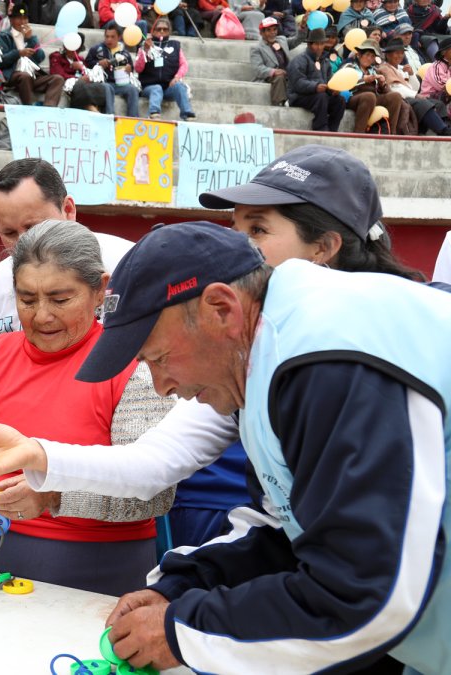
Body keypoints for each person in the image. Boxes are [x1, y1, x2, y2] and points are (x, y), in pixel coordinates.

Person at [0, 145, 426, 545]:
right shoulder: (263, 349)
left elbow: (377, 572)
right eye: (237, 227)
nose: (165, 384)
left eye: (258, 230)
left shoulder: (359, 354)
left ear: (324, 248)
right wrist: (37, 454)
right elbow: (152, 463)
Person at [75, 220, 450, 674]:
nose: (162, 386)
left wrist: (183, 631)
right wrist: (182, 586)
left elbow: (366, 595)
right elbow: (287, 527)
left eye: (158, 358)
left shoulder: (325, 355)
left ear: (221, 308)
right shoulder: (269, 353)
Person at [0, 220, 175, 596]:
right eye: (26, 299)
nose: (42, 315)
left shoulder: (133, 365)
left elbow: (154, 491)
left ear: (100, 291)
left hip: (97, 577)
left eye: (60, 300)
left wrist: (53, 496)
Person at [0, 158, 134, 340]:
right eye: (9, 233)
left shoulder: (128, 263)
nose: (23, 243)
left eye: (33, 227)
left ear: (68, 210)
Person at [0, 3, 63, 106]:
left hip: (32, 75)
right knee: (25, 76)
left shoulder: (30, 36)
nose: (22, 22)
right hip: (13, 75)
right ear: (11, 20)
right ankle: (29, 108)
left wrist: (30, 39)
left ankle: (49, 110)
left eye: (25, 19)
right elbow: (0, 61)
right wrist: (18, 53)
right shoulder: (4, 36)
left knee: (57, 79)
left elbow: (40, 57)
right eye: (19, 19)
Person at [342, 39, 412, 133]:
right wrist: (363, 80)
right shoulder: (349, 67)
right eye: (367, 55)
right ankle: (359, 133)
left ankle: (390, 134)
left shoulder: (374, 70)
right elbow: (342, 85)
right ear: (359, 55)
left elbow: (385, 91)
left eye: (372, 56)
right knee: (369, 96)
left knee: (395, 96)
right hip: (353, 97)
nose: (369, 59)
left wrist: (383, 84)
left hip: (373, 98)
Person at [134, 18, 197, 121]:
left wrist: (177, 77)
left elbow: (184, 64)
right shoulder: (145, 45)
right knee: (156, 88)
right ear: (153, 31)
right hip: (149, 87)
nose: (162, 31)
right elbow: (138, 68)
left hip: (168, 87)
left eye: (165, 29)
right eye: (159, 29)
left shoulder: (175, 45)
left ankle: (187, 113)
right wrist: (145, 51)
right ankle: (154, 113)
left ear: (169, 31)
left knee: (180, 86)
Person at [288, 28, 346, 130]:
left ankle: (333, 129)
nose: (319, 47)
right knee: (321, 97)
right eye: (316, 44)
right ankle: (320, 128)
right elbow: (297, 83)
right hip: (299, 96)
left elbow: (330, 80)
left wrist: (333, 89)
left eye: (321, 44)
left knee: (340, 100)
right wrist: (315, 87)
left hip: (318, 95)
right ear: (309, 45)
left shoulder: (325, 62)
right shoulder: (299, 60)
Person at [85, 22, 141, 117]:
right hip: (102, 83)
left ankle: (133, 119)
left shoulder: (125, 53)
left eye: (112, 37)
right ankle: (109, 117)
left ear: (119, 37)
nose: (109, 39)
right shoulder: (96, 49)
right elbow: (87, 64)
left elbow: (131, 69)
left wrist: (129, 69)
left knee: (132, 89)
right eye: (107, 36)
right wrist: (98, 63)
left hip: (119, 84)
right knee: (108, 88)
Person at [251, 17, 291, 106]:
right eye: (269, 30)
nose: (273, 33)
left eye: (274, 29)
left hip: (287, 74)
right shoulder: (257, 48)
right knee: (280, 76)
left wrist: (303, 27)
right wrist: (274, 71)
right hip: (270, 77)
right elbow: (258, 69)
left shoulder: (282, 40)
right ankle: (279, 103)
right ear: (262, 33)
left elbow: (297, 40)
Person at [418, 34, 451, 105]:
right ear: (444, 52)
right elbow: (443, 86)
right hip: (429, 100)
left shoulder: (449, 66)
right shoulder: (436, 66)